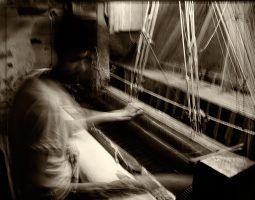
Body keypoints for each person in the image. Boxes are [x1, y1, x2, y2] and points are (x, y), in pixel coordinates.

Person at [8, 14, 189, 200]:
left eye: (86, 59)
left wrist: (117, 115)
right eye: (75, 60)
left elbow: (72, 120)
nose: (83, 68)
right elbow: (45, 192)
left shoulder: (40, 81)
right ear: (54, 54)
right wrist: (118, 187)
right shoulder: (44, 104)